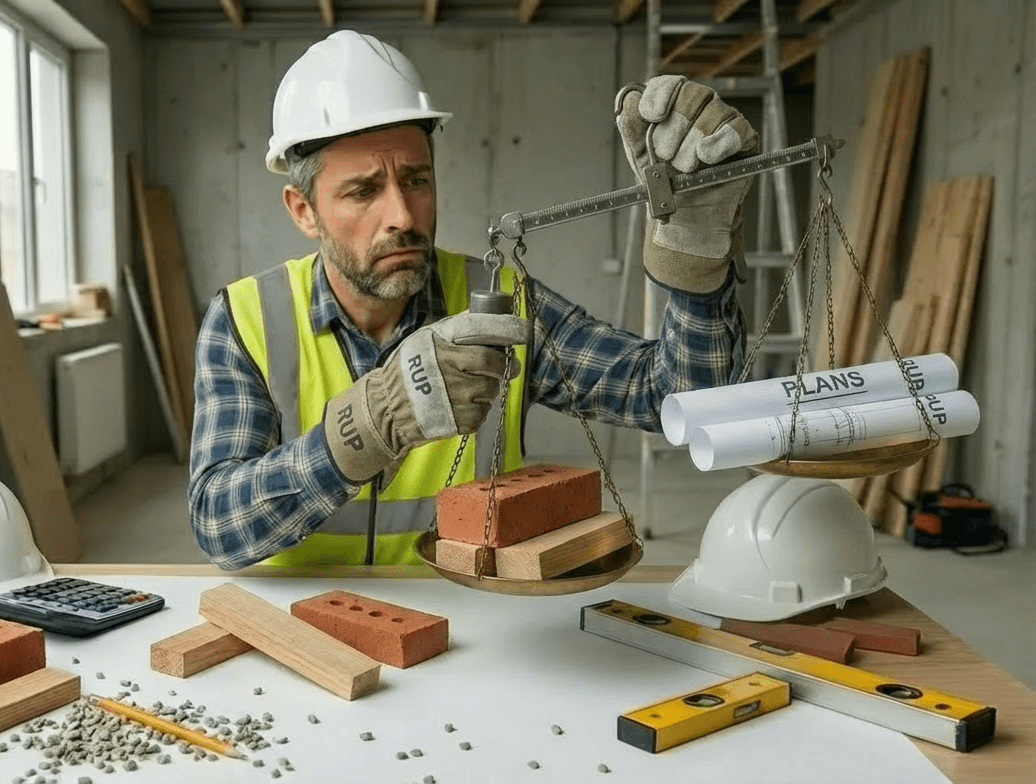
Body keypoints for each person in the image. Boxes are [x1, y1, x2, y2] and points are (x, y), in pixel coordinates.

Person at [188, 30, 755, 569]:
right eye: (363, 191)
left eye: (416, 180)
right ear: (302, 209)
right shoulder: (246, 318)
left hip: (470, 631)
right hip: (305, 636)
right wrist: (363, 430)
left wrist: (694, 259)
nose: (404, 217)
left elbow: (681, 396)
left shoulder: (500, 302)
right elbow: (219, 526)